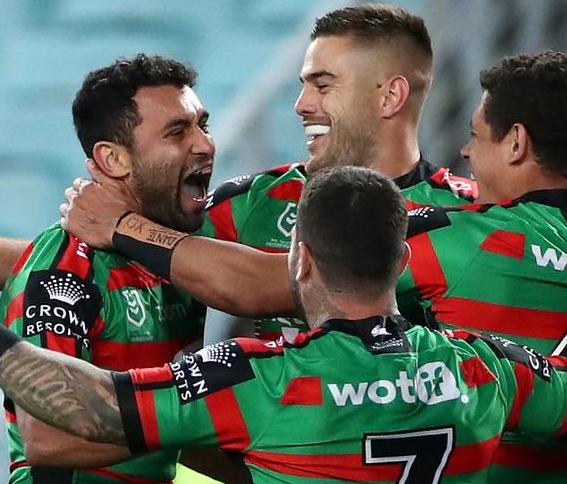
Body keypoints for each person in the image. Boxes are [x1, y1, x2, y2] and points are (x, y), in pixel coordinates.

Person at [61, 50, 567, 482]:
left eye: (477, 137)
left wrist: (124, 228)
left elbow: (258, 285)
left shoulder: (475, 238)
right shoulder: (485, 367)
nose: (464, 152)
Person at [0, 166, 566, 484]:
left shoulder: (263, 378)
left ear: (300, 260)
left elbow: (89, 412)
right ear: (400, 259)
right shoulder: (484, 367)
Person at [0, 4, 476, 342]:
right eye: (303, 83)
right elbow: (105, 258)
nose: (301, 104)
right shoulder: (264, 199)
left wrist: (122, 227)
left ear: (390, 96)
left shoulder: (469, 218)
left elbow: (252, 283)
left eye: (323, 85)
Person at [0, 54, 245, 484]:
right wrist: (218, 406)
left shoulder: (178, 259)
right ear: (113, 160)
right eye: (177, 131)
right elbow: (50, 436)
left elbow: (181, 433)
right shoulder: (62, 273)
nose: (205, 144)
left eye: (202, 124)